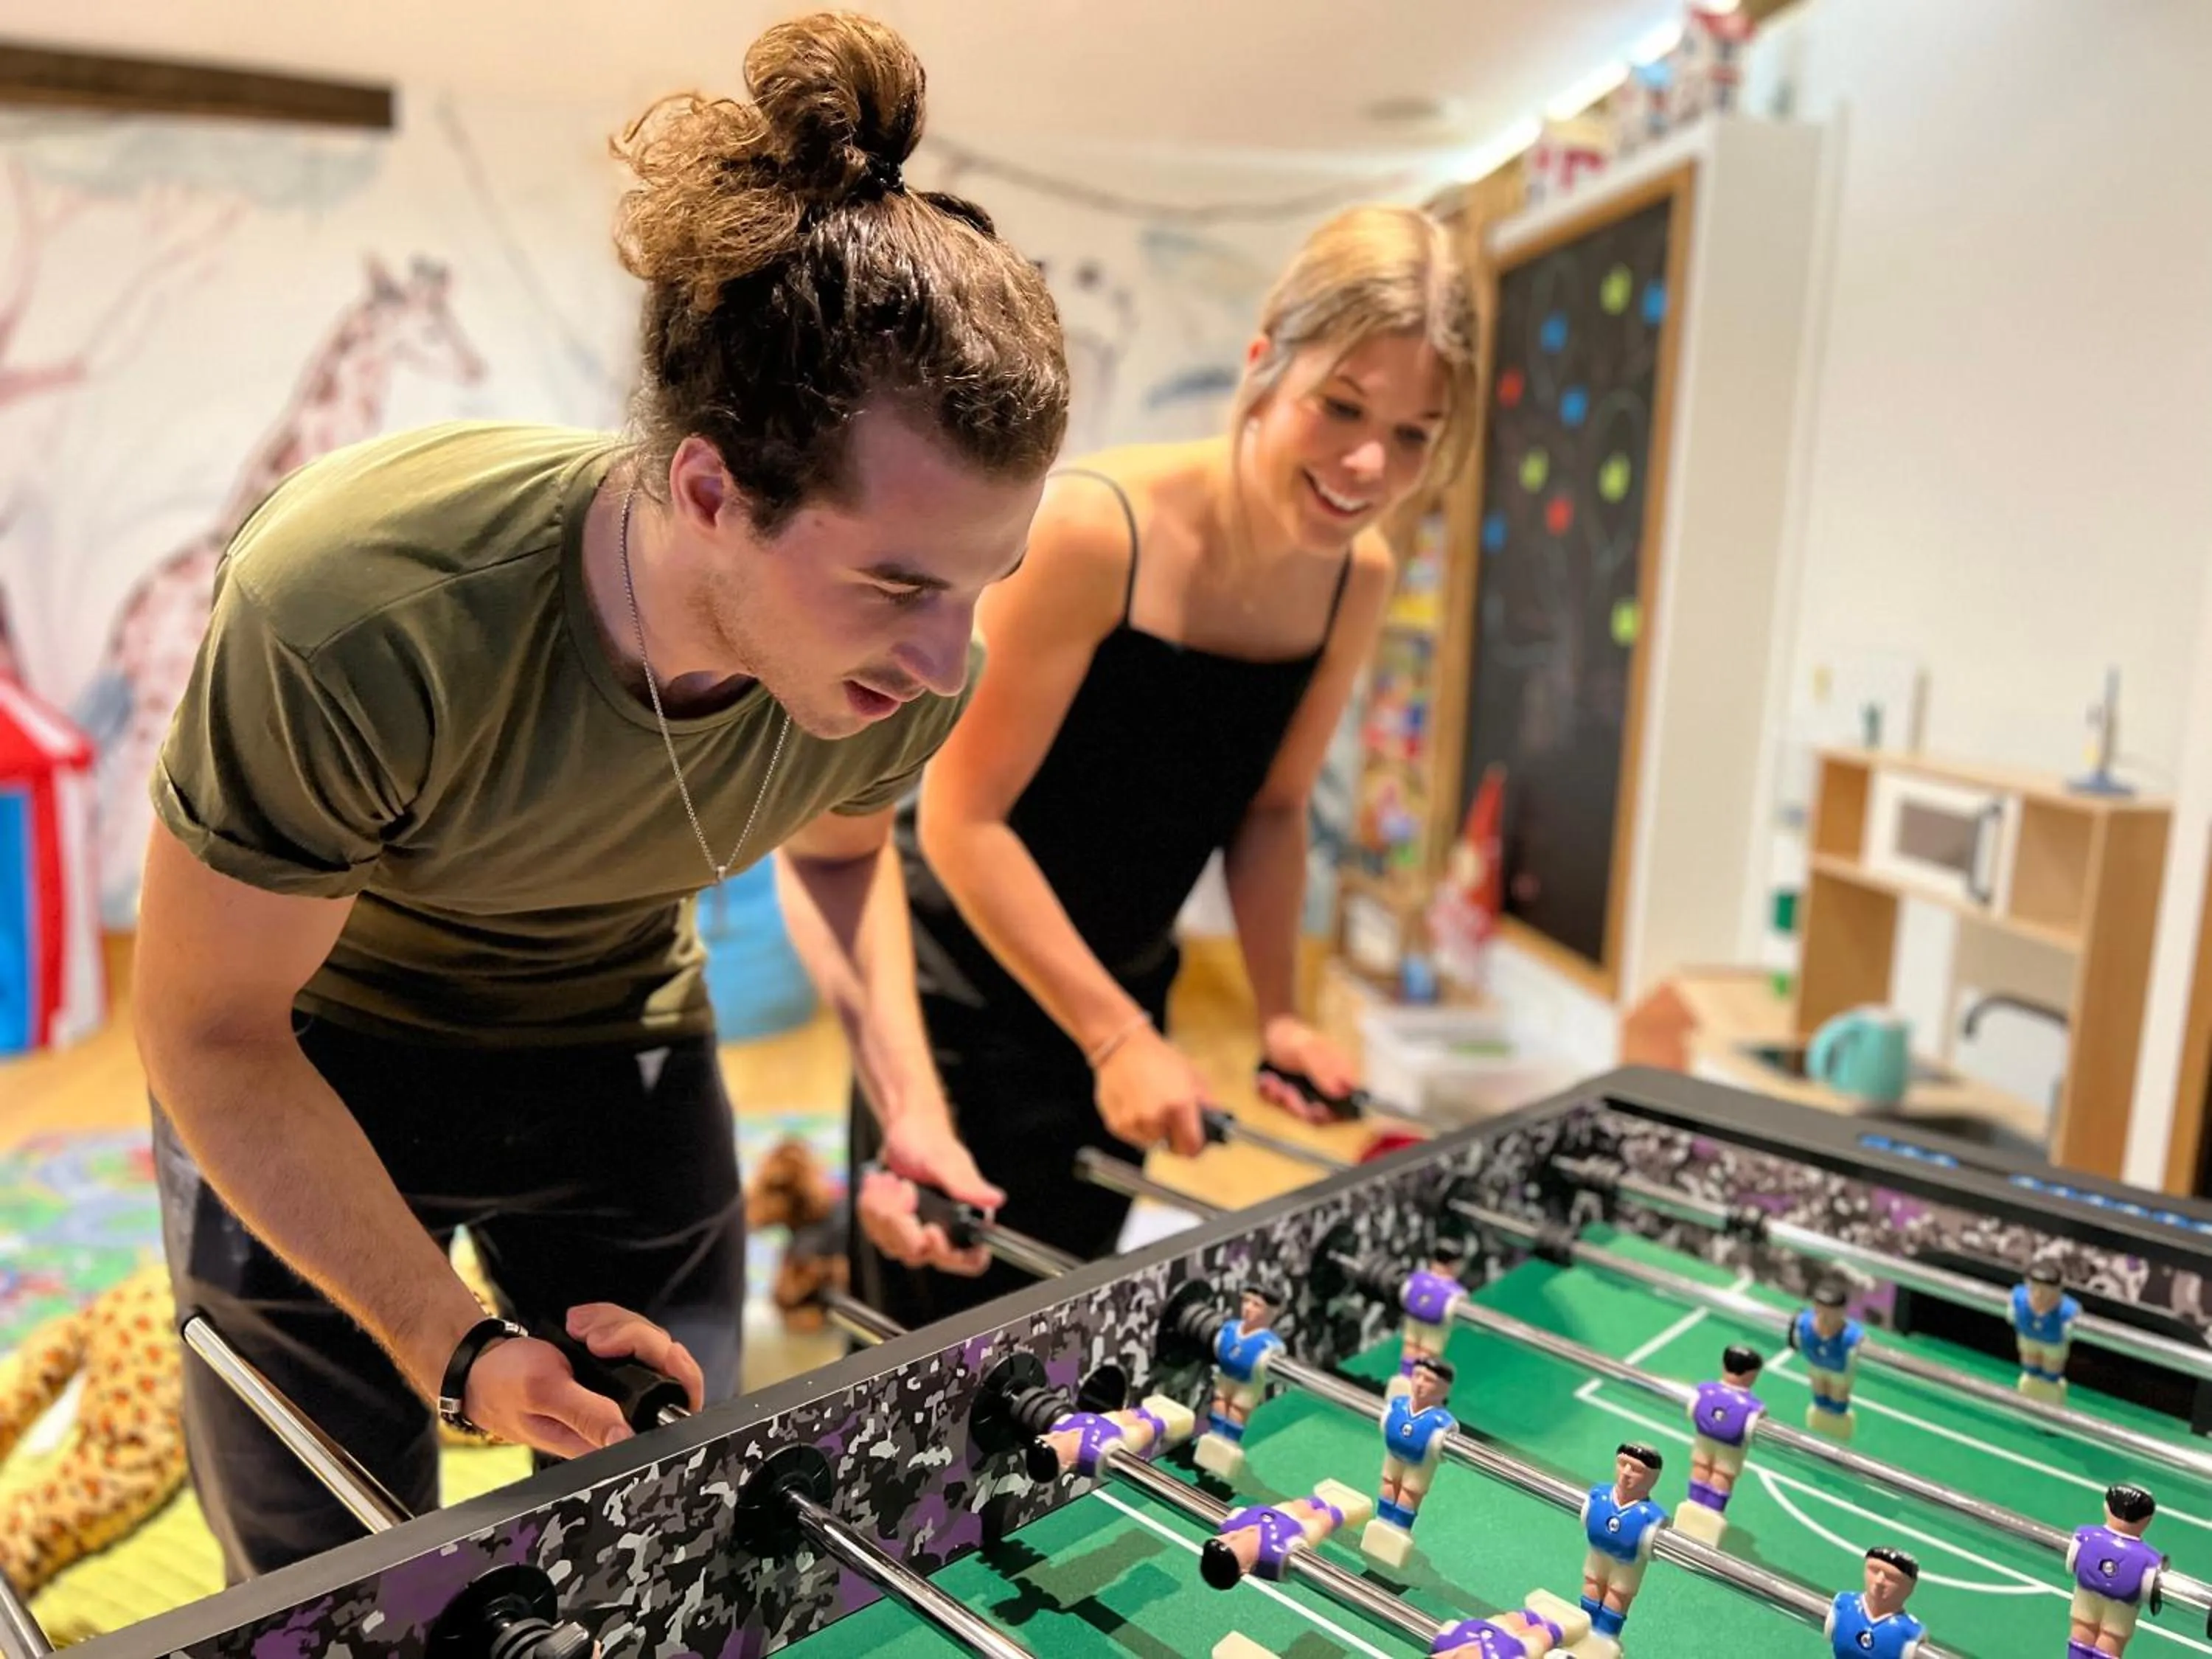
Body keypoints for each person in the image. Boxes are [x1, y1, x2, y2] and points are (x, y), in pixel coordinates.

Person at [133, 11, 1067, 1581]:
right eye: (901, 584)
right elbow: (208, 1029)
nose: (942, 660)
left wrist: (909, 1110)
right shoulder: (358, 610)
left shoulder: (903, 673)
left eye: (986, 581)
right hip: (308, 1047)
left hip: (616, 1039)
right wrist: (453, 1344)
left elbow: (845, 863)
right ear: (709, 491)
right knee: (323, 1580)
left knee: (675, 1530)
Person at [852, 203, 1478, 1324]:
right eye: (1340, 406)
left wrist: (1281, 1015)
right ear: (1264, 366)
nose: (1369, 464)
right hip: (961, 1000)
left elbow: (1274, 809)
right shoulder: (1096, 531)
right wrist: (1116, 1035)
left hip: (1126, 993)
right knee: (923, 1359)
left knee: (1063, 1348)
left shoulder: (1359, 575)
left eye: (1414, 434)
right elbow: (960, 820)